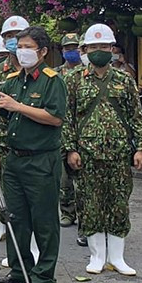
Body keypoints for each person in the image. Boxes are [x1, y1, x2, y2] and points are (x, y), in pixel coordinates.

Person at [0, 26, 66, 283]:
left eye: (28, 47)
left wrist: (17, 106)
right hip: (15, 160)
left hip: (41, 160)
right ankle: (19, 271)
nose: (22, 52)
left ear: (42, 51)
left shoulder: (52, 80)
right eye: (19, 46)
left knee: (44, 222)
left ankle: (43, 276)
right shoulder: (13, 79)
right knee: (16, 218)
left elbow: (54, 117)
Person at [64, 23, 142, 277]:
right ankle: (97, 256)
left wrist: (140, 148)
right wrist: (70, 149)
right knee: (91, 205)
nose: (99, 51)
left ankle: (117, 257)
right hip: (87, 154)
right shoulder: (73, 79)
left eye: (104, 46)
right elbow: (67, 117)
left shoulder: (124, 80)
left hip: (120, 153)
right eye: (94, 47)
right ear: (85, 50)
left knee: (119, 204)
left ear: (112, 49)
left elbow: (136, 117)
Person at [0, 17, 28, 244]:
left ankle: (20, 238)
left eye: (18, 35)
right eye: (9, 37)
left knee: (22, 195)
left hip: (29, 144)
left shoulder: (40, 73)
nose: (13, 41)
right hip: (0, 141)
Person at [56, 32, 84, 227]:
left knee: (82, 179)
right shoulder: (56, 73)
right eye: (68, 48)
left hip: (81, 131)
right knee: (63, 179)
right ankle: (67, 211)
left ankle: (84, 213)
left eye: (75, 48)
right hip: (59, 132)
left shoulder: (86, 73)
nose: (71, 52)